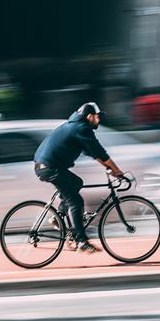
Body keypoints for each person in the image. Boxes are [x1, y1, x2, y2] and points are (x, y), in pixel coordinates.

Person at [33, 102, 126, 254]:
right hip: (50, 168)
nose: (99, 120)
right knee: (76, 201)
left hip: (47, 166)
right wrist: (117, 170)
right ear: (89, 116)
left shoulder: (75, 126)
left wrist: (109, 167)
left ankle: (59, 217)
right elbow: (100, 152)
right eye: (97, 117)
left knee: (77, 182)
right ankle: (82, 241)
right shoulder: (82, 128)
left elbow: (93, 153)